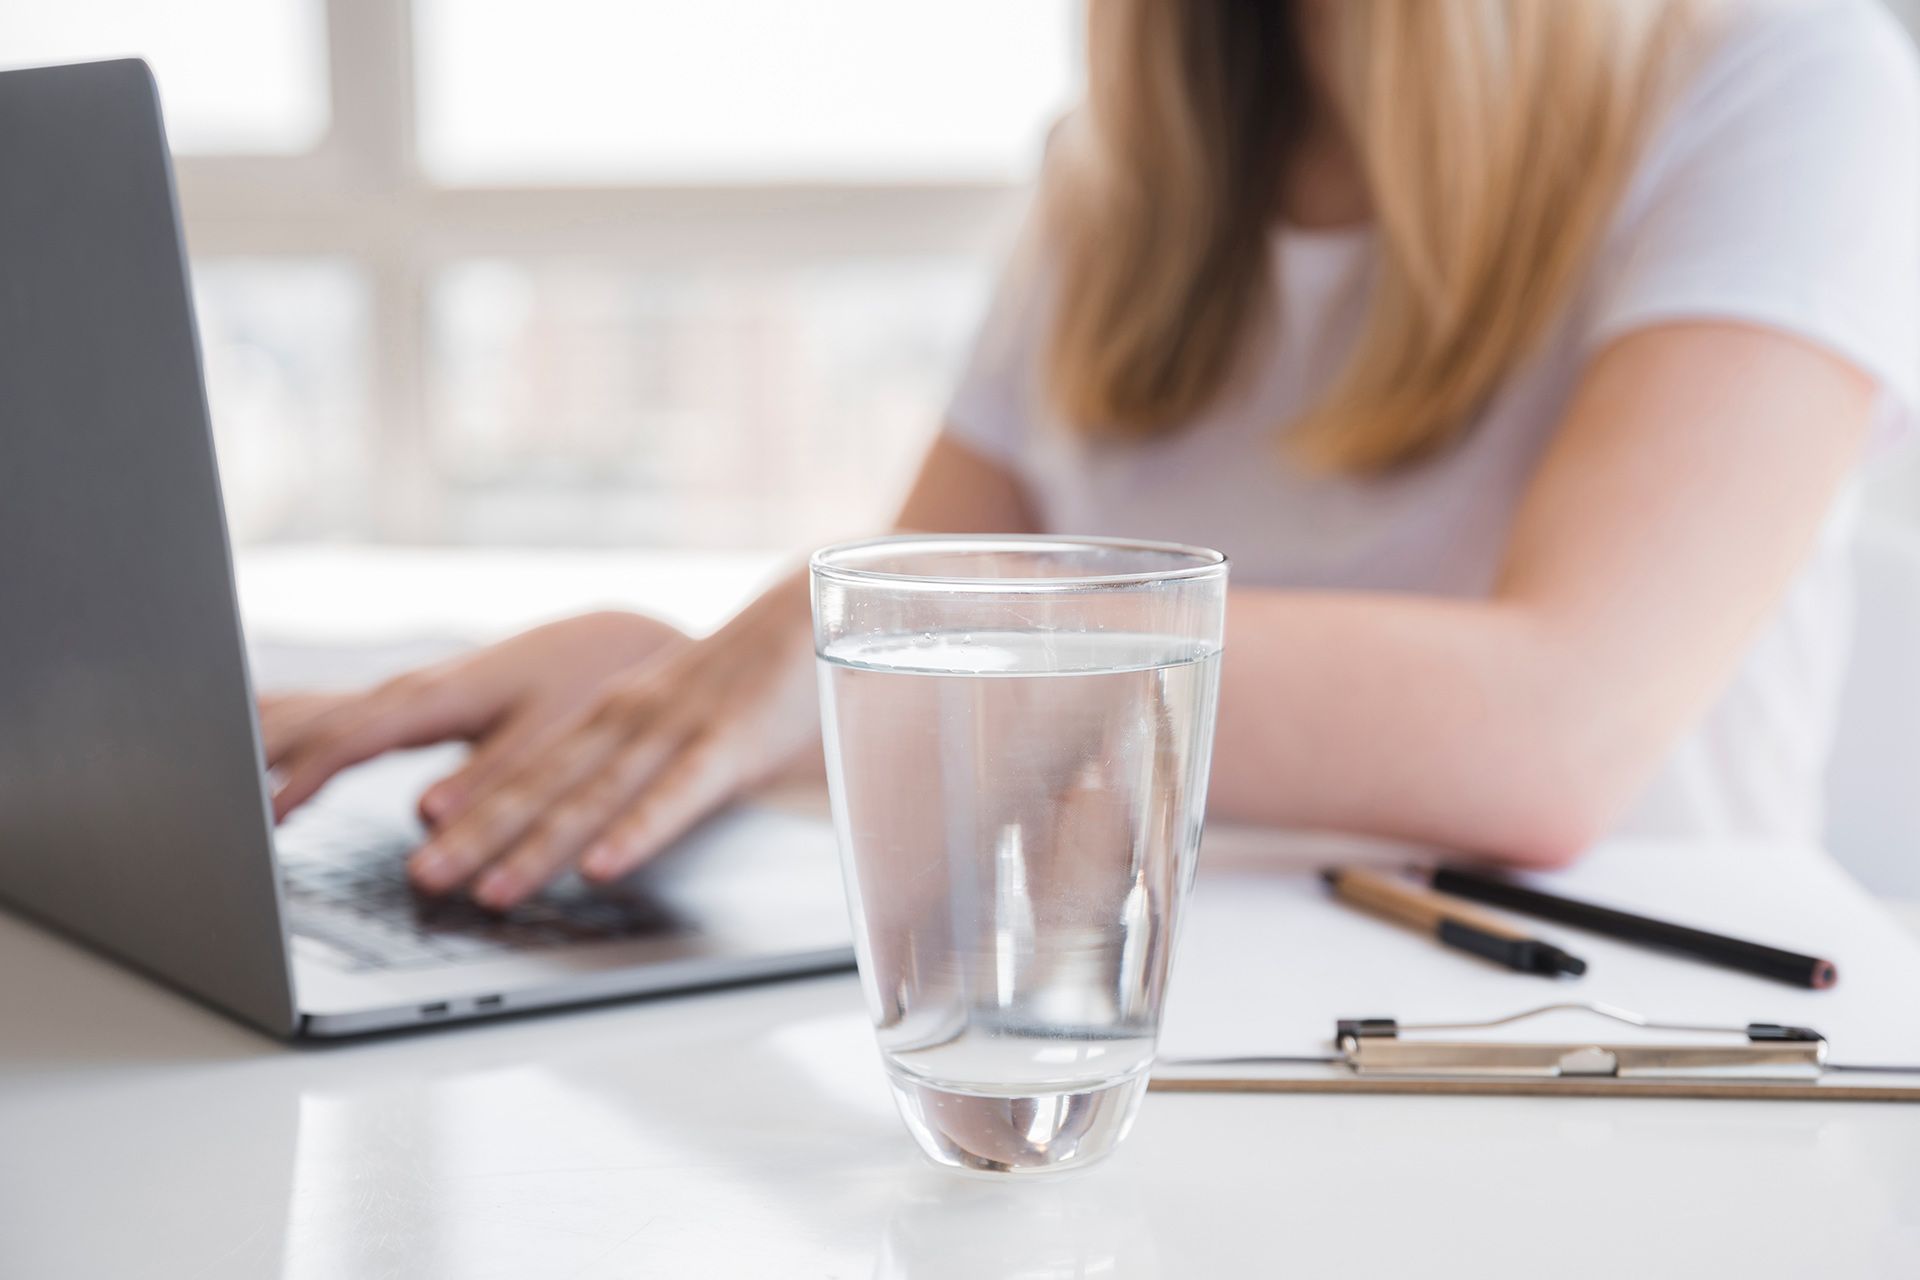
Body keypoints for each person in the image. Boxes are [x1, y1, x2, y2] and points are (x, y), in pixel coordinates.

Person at [263, 0, 1920, 911]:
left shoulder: (1787, 79)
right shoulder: (1111, 185)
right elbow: (935, 711)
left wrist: (824, 640)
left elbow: (1557, 736)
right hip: (1127, 1031)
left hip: (1603, 1055)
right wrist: (672, 693)